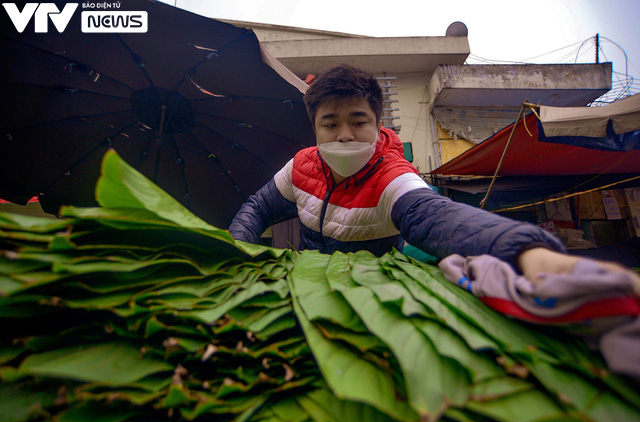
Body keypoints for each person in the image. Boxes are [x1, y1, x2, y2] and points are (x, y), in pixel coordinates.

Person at [229, 65, 640, 291]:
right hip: (308, 283)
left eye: (358, 121)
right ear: (315, 129)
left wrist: (530, 253)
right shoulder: (302, 165)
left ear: (377, 125)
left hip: (372, 292)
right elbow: (258, 207)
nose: (345, 135)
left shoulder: (391, 176)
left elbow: (436, 216)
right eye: (330, 123)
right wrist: (232, 254)